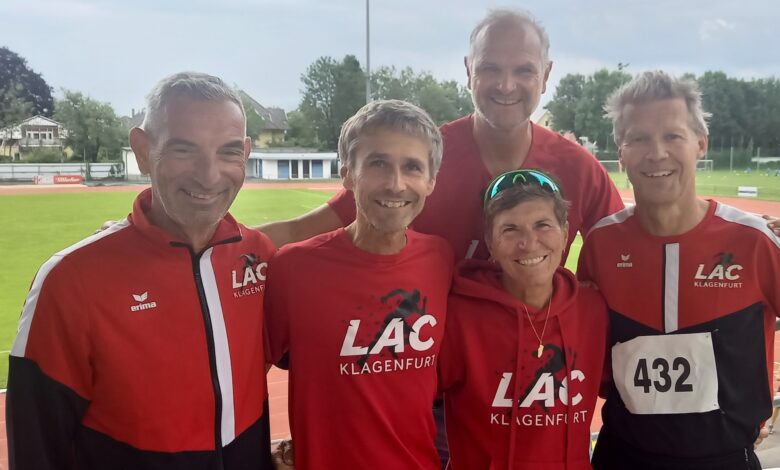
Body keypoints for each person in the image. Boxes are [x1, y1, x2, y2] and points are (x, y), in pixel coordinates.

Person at [6, 72, 275, 470]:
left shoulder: (259, 256)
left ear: (246, 154)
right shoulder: (70, 280)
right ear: (143, 150)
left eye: (228, 152)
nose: (209, 175)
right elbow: (37, 448)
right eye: (184, 150)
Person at [259, 8, 624, 262]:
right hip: (428, 350)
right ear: (468, 71)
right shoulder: (417, 160)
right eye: (490, 68)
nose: (506, 85)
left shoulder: (580, 171)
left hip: (534, 351)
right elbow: (301, 230)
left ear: (546, 75)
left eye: (524, 71)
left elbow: (625, 256)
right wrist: (226, 245)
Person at [578, 71, 780, 470]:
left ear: (700, 143)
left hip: (725, 459)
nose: (656, 153)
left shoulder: (754, 241)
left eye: (672, 136)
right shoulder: (601, 245)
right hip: (622, 455)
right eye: (638, 138)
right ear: (621, 152)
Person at [264, 100, 453, 469]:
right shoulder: (294, 269)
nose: (396, 184)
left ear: (431, 181)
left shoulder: (440, 259)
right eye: (378, 163)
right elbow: (246, 379)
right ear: (348, 175)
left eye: (412, 167)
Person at [439, 169, 609, 469]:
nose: (529, 243)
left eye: (542, 225)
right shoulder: (457, 316)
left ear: (565, 233)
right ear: (490, 243)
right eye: (510, 229)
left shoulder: (594, 309)